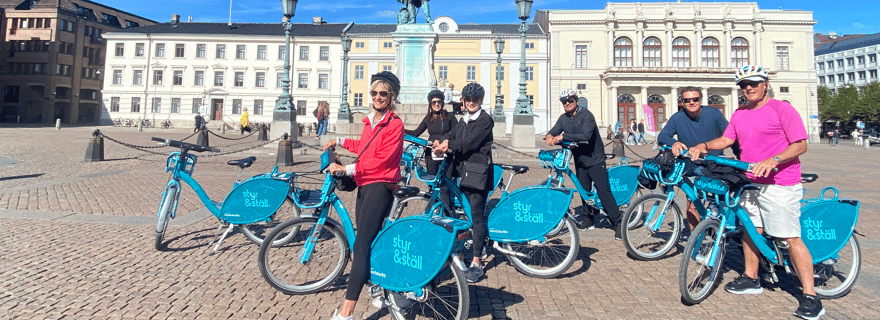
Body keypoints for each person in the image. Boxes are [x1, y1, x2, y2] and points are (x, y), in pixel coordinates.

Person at [688, 65, 823, 320]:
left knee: (789, 237)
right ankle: (751, 278)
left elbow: (800, 144)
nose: (748, 88)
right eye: (743, 85)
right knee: (751, 230)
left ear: (765, 84)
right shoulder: (740, 113)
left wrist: (774, 159)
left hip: (779, 182)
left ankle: (811, 295)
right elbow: (727, 140)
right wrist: (704, 145)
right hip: (749, 181)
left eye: (753, 83)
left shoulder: (782, 109)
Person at [325, 71, 405, 320]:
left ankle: (346, 312)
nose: (377, 97)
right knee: (370, 242)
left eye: (383, 93)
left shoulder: (395, 124)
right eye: (374, 93)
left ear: (391, 97)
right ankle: (385, 289)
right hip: (364, 185)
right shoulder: (370, 121)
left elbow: (382, 160)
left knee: (360, 246)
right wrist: (339, 141)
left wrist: (346, 169)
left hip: (381, 186)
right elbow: (365, 147)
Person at [433, 82, 494, 283]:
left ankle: (476, 261)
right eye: (468, 99)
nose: (471, 102)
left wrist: (447, 146)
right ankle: (462, 253)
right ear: (464, 101)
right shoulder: (464, 119)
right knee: (463, 214)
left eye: (475, 99)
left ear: (480, 100)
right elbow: (452, 135)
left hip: (477, 174)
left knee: (476, 215)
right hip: (463, 173)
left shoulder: (485, 120)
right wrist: (441, 140)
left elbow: (469, 144)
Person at [546, 89, 623, 239]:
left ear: (576, 101)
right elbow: (554, 131)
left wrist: (562, 137)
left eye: (570, 100)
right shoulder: (563, 118)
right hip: (580, 160)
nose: (567, 104)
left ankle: (618, 222)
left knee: (603, 190)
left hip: (595, 159)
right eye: (564, 102)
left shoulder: (587, 116)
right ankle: (589, 219)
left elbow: (585, 136)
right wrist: (549, 136)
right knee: (584, 191)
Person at [657, 86, 729, 231]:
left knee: (719, 201)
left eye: (695, 99)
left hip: (715, 163)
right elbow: (662, 136)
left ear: (700, 100)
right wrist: (674, 142)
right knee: (692, 203)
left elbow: (730, 135)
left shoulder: (714, 113)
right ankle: (695, 238)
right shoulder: (678, 117)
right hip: (693, 164)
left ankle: (720, 230)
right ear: (682, 102)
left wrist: (740, 154)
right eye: (687, 100)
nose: (691, 102)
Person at [405, 89, 456, 208]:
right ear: (430, 104)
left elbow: (456, 133)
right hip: (430, 155)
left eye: (439, 102)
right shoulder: (428, 118)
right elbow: (416, 133)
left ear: (442, 102)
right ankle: (434, 211)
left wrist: (442, 141)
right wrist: (401, 129)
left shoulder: (450, 116)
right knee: (432, 186)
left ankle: (445, 213)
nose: (437, 104)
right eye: (434, 102)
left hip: (446, 155)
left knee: (445, 187)